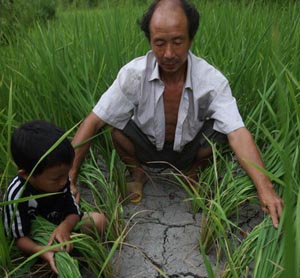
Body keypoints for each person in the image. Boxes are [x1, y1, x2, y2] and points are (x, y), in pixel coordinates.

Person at [70, 0, 283, 227]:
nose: (169, 53)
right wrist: (69, 177)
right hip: (146, 148)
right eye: (159, 43)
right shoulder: (133, 75)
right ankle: (137, 173)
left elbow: (237, 133)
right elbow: (93, 122)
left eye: (178, 42)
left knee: (219, 132)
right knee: (116, 125)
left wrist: (266, 188)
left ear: (191, 39)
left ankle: (193, 174)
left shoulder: (211, 80)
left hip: (190, 151)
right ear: (150, 41)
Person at [3, 120, 107, 274]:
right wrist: (41, 250)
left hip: (64, 231)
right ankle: (58, 262)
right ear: (26, 175)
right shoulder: (16, 196)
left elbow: (74, 213)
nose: (65, 181)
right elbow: (20, 239)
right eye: (56, 178)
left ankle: (80, 257)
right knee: (51, 265)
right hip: (40, 243)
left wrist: (65, 227)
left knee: (99, 221)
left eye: (66, 174)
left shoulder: (62, 180)